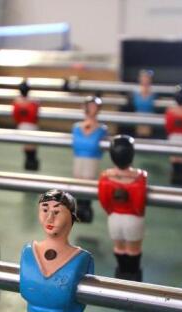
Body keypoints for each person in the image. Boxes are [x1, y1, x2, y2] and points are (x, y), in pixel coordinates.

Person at [98, 135, 147, 281]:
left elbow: (104, 201)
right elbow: (139, 205)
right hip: (133, 219)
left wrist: (111, 211)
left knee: (119, 247)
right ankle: (132, 274)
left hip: (114, 218)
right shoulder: (140, 177)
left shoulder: (105, 177)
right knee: (134, 249)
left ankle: (122, 270)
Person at [71, 96, 108, 223]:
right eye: (90, 106)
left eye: (94, 106)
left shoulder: (102, 129)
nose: (92, 109)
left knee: (88, 184)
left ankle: (86, 209)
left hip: (92, 161)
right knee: (78, 183)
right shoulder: (76, 128)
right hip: (78, 161)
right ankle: (78, 209)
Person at [12, 81, 40, 170]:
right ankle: (29, 163)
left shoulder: (18, 102)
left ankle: (31, 163)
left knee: (30, 147)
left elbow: (16, 116)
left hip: (27, 126)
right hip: (26, 126)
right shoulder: (33, 101)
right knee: (28, 147)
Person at [132, 69, 156, 138]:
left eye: (147, 77)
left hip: (149, 120)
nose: (145, 79)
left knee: (147, 137)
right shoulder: (135, 91)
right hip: (138, 119)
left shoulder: (154, 92)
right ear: (139, 78)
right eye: (143, 77)